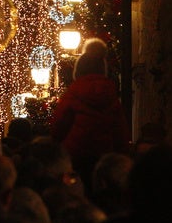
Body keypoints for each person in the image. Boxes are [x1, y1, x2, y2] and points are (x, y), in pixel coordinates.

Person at [49, 38, 129, 191]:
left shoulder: (72, 94)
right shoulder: (111, 96)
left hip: (75, 157)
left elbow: (58, 128)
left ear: (78, 70)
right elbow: (120, 132)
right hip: (103, 157)